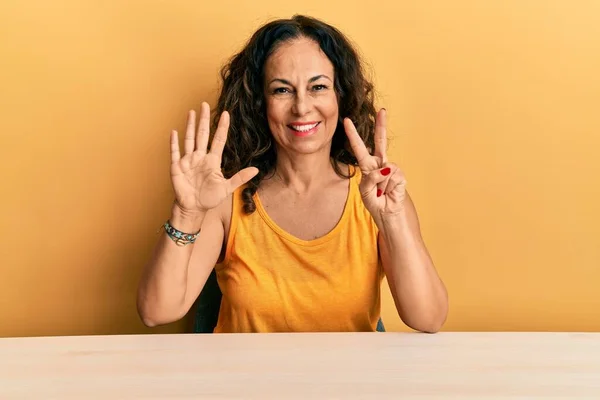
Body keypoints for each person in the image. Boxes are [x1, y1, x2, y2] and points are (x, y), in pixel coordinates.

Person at [136, 15, 448, 333]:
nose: (301, 107)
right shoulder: (224, 197)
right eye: (282, 90)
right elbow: (156, 311)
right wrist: (186, 213)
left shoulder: (378, 195)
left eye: (318, 87)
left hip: (348, 382)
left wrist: (392, 221)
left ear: (340, 97)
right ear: (260, 103)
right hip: (245, 382)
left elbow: (428, 318)